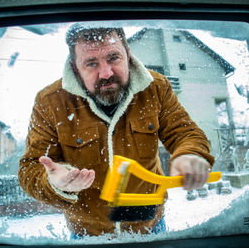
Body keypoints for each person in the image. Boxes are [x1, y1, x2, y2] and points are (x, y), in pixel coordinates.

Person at [18, 23, 215, 237]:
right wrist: (54, 182)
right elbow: (30, 167)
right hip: (87, 235)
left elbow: (185, 133)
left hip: (151, 228)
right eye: (91, 63)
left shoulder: (156, 88)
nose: (106, 73)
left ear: (128, 54)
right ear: (75, 67)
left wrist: (190, 153)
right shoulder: (50, 102)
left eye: (113, 58)